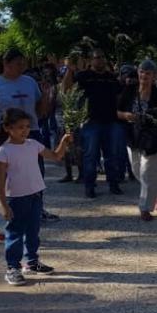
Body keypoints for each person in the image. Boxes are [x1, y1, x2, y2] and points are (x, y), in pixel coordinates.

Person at [0, 108, 72, 286]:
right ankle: (12, 267)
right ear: (8, 128)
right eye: (20, 127)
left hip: (35, 195)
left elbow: (55, 156)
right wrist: (4, 205)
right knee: (15, 232)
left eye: (27, 126)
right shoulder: (4, 151)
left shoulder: (33, 144)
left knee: (33, 231)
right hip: (17, 198)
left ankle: (31, 262)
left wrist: (64, 141)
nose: (25, 130)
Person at [0, 49, 57, 221]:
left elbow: (40, 112)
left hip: (32, 133)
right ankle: (13, 209)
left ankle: (37, 209)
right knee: (11, 176)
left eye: (23, 63)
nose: (22, 66)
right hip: (5, 136)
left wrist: (46, 96)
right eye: (18, 63)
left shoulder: (30, 82)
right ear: (6, 64)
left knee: (36, 172)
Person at [62, 48, 125, 199]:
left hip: (111, 122)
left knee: (112, 155)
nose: (100, 60)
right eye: (97, 57)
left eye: (102, 57)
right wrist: (69, 70)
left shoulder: (111, 77)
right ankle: (89, 186)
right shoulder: (84, 76)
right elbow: (67, 88)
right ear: (91, 60)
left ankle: (113, 184)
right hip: (91, 122)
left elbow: (120, 94)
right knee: (90, 155)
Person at [117, 60, 157, 221]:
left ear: (154, 76)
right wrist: (126, 116)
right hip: (133, 138)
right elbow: (117, 111)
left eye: (148, 73)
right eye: (141, 72)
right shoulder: (129, 91)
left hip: (154, 140)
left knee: (148, 173)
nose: (144, 76)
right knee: (137, 171)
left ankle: (144, 207)